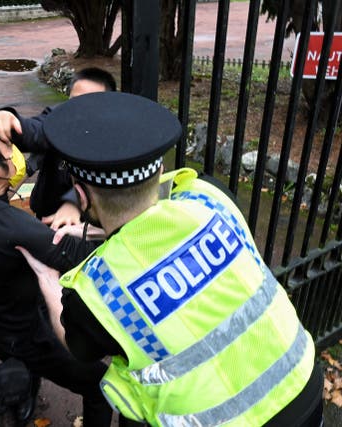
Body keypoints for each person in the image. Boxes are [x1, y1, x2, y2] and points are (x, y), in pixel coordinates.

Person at [18, 92, 324, 426]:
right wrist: (97, 232)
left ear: (79, 195)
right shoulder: (209, 195)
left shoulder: (96, 292)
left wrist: (47, 277)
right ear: (161, 168)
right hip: (303, 386)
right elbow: (160, 222)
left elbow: (79, 347)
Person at [0, 119, 113, 426]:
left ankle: (20, 391)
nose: (14, 152)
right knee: (101, 384)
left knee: (20, 365)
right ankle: (16, 393)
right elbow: (84, 257)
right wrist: (101, 228)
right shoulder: (15, 228)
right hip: (31, 333)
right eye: (7, 148)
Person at [0, 67, 117, 229]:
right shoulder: (59, 118)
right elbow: (36, 130)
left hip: (87, 223)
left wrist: (74, 201)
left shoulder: (115, 137)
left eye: (88, 104)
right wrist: (8, 120)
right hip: (45, 210)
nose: (78, 111)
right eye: (74, 102)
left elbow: (110, 180)